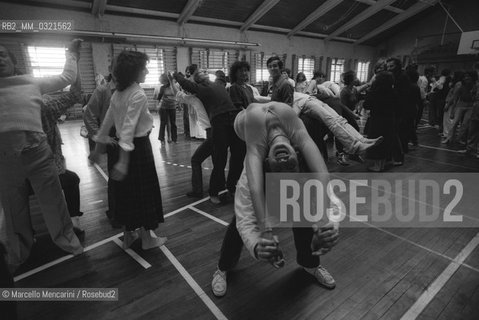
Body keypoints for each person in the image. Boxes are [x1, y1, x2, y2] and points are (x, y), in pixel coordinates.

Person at [211, 102, 339, 297]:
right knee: (237, 224)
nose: (283, 162)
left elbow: (327, 190)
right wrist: (259, 241)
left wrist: (326, 224)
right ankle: (223, 268)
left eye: (285, 169)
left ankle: (310, 265)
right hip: (242, 125)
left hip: (260, 125)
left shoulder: (304, 167)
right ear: (265, 162)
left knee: (304, 216)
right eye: (282, 169)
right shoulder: (251, 173)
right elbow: (246, 216)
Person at [0, 40, 84, 270]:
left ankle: (67, 240)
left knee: (53, 201)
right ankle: (19, 251)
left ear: (13, 60)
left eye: (2, 55)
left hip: (37, 153)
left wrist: (72, 54)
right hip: (5, 159)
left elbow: (67, 77)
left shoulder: (30, 82)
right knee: (13, 207)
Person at [90, 50, 166, 250]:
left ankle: (129, 235)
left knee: (126, 193)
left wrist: (98, 148)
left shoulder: (118, 92)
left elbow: (107, 123)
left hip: (124, 149)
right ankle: (148, 240)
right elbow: (127, 129)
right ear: (133, 72)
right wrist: (124, 160)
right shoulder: (137, 93)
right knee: (144, 193)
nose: (147, 71)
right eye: (143, 68)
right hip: (137, 149)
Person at [173, 68, 246, 204]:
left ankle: (231, 187)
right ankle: (213, 192)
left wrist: (212, 70)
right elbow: (185, 84)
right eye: (200, 73)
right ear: (198, 80)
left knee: (237, 157)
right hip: (219, 124)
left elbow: (222, 75)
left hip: (233, 120)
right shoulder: (199, 89)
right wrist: (175, 74)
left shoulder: (219, 83)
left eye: (205, 72)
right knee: (220, 160)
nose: (204, 73)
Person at [40, 65, 85, 232]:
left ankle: (23, 235)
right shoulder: (44, 104)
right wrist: (75, 58)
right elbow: (75, 94)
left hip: (12, 175)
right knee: (71, 180)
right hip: (42, 168)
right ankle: (73, 221)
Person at [166, 71, 212, 197]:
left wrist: (171, 80)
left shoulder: (195, 98)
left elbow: (177, 93)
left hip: (212, 133)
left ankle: (198, 190)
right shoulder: (215, 91)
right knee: (218, 161)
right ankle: (219, 188)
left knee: (196, 160)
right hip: (222, 131)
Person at [84, 72, 120, 228]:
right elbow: (89, 114)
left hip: (127, 137)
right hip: (113, 137)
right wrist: (99, 136)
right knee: (116, 178)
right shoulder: (103, 90)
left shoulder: (127, 89)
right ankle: (116, 214)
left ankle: (126, 213)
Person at [363, 71, 398, 172]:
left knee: (377, 141)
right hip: (390, 119)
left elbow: (366, 105)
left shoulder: (375, 92)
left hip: (377, 120)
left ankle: (377, 166)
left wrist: (370, 89)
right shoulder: (393, 91)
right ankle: (382, 164)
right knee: (386, 141)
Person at [158, 72, 178, 143]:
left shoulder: (174, 86)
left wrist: (178, 105)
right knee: (163, 123)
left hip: (172, 107)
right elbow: (159, 98)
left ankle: (174, 139)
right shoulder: (162, 88)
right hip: (164, 107)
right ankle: (162, 139)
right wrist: (158, 106)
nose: (163, 82)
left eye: (164, 81)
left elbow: (177, 95)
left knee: (173, 123)